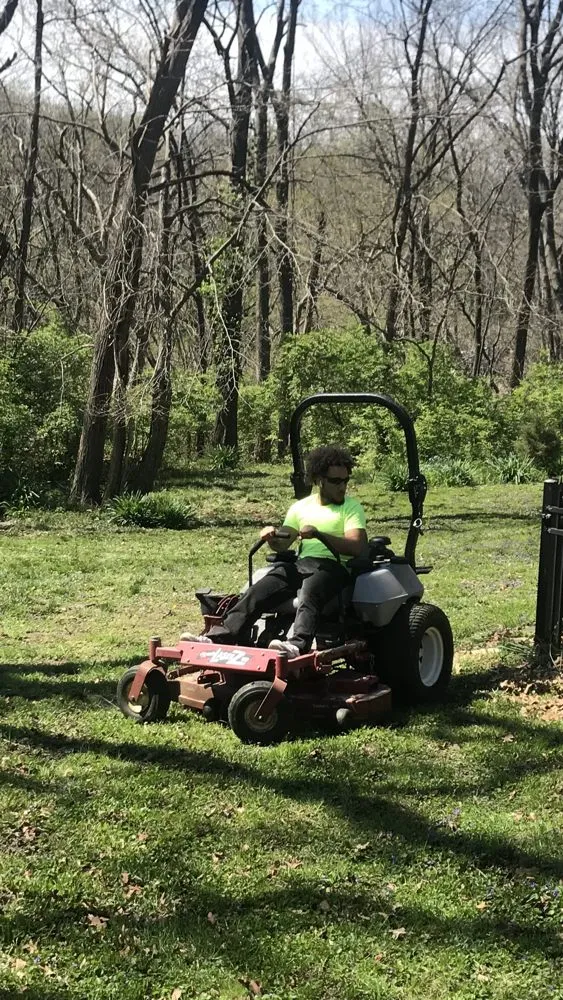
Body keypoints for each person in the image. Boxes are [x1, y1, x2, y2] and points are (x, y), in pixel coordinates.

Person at [181, 445, 368, 659]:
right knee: (258, 590)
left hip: (335, 568)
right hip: (302, 564)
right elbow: (283, 542)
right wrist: (271, 536)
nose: (342, 487)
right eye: (336, 481)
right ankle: (219, 636)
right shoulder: (301, 507)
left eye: (346, 480)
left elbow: (356, 546)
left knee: (310, 591)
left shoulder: (351, 508)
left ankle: (298, 644)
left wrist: (320, 535)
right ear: (319, 479)